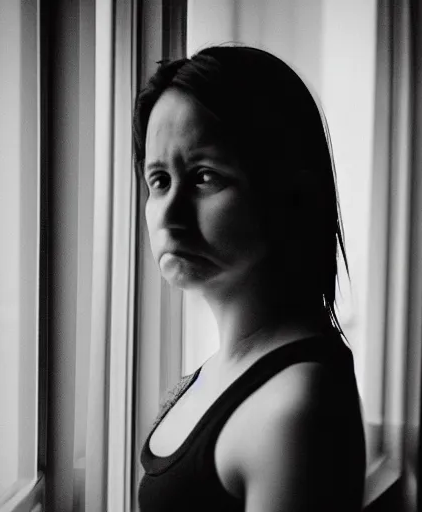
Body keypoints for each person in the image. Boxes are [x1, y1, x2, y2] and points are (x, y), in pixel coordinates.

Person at [132, 45, 366, 512]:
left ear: (289, 195)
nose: (169, 216)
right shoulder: (217, 373)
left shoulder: (294, 409)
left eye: (203, 177)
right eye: (159, 181)